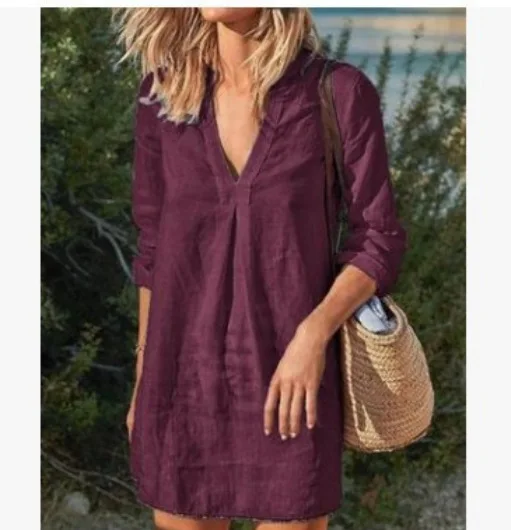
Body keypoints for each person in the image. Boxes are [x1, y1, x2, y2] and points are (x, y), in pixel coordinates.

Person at [114, 7, 407, 530]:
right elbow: (152, 249)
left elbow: (378, 239)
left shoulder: (337, 92)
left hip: (291, 385)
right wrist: (143, 376)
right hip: (181, 382)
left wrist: (312, 337)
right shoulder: (162, 95)